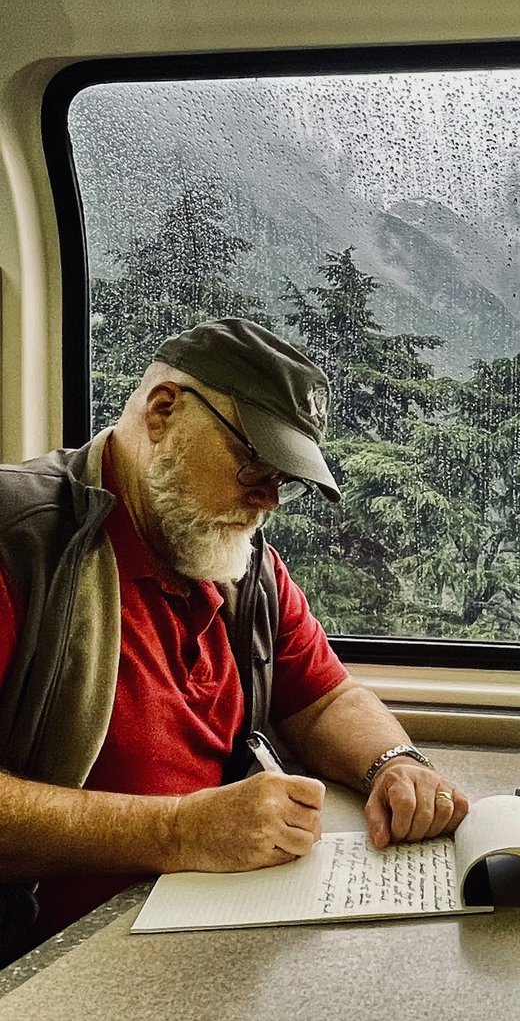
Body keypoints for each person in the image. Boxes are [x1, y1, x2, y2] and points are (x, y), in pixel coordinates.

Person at [0, 318, 468, 964]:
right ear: (163, 412)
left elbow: (325, 699)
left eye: (285, 479)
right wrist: (176, 831)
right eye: (253, 464)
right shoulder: (20, 546)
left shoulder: (240, 563)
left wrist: (394, 763)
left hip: (210, 927)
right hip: (49, 961)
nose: (267, 502)